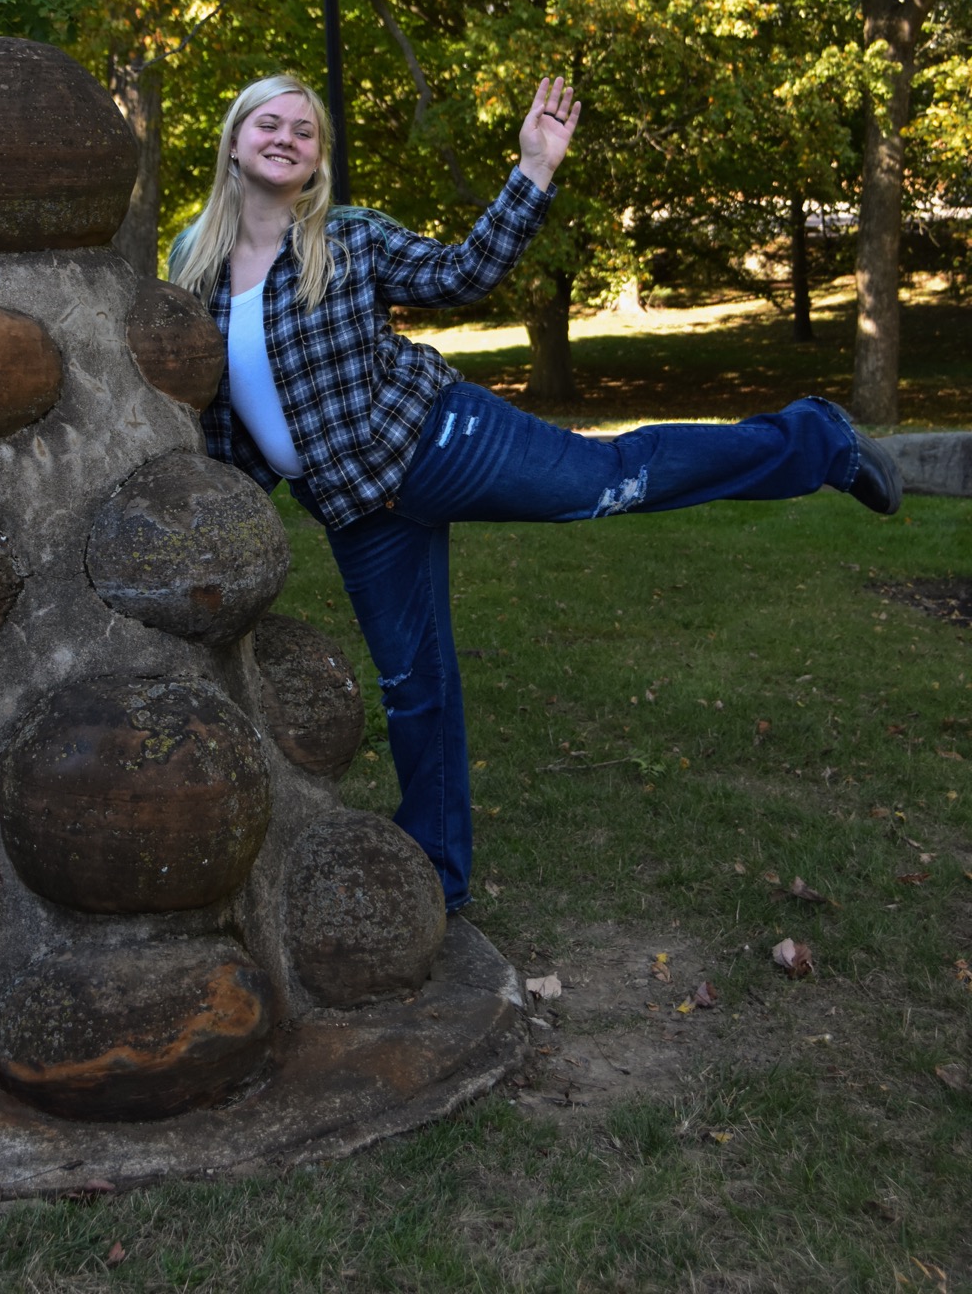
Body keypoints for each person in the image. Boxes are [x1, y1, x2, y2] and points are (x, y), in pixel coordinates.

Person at [169, 71, 902, 915]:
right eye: (270, 122)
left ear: (316, 161)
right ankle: (437, 881)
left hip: (438, 442)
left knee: (605, 479)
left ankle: (816, 440)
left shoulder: (348, 238)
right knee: (414, 685)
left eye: (305, 129)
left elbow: (465, 273)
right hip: (357, 507)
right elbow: (215, 414)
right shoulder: (193, 270)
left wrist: (534, 168)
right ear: (233, 138)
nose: (287, 137)